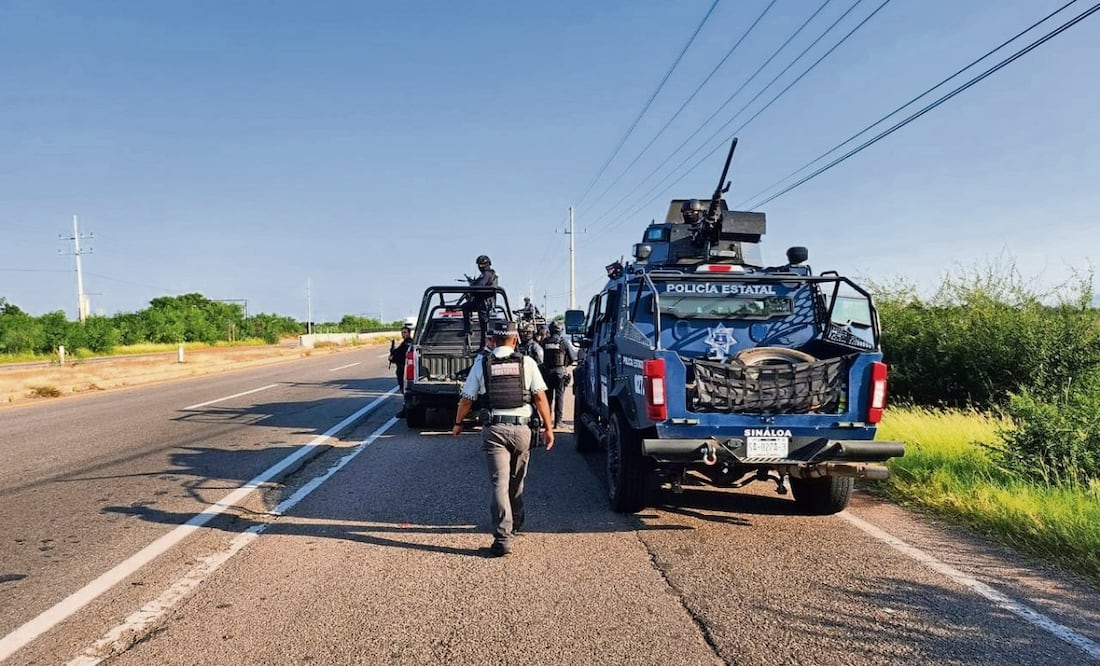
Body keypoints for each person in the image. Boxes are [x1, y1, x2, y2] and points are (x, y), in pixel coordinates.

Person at [453, 320, 554, 557]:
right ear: (515, 339)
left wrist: (458, 423)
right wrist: (549, 428)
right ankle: (516, 521)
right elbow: (540, 398)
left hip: (495, 431)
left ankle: (502, 538)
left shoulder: (482, 363)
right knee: (517, 481)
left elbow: (467, 399)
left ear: (492, 341)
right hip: (522, 431)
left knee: (499, 484)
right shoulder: (527, 362)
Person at [539, 320, 578, 429]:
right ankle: (558, 422)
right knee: (559, 397)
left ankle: (546, 422)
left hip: (547, 373)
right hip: (559, 373)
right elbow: (573, 358)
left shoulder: (544, 342)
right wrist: (564, 365)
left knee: (548, 398)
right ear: (560, 330)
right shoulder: (563, 342)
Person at [460, 255, 498, 350]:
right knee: (465, 307)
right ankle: (468, 329)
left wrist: (473, 285)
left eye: (483, 264)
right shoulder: (487, 274)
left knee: (484, 328)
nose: (481, 266)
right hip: (480, 302)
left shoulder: (487, 274)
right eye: (479, 264)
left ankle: (483, 347)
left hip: (484, 304)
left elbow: (480, 285)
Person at [389, 323, 414, 416]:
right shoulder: (405, 343)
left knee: (405, 390)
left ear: (409, 333)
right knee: (403, 389)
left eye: (405, 332)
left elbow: (403, 357)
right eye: (402, 332)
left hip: (404, 369)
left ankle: (406, 410)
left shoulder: (408, 343)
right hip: (401, 369)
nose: (403, 334)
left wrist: (393, 357)